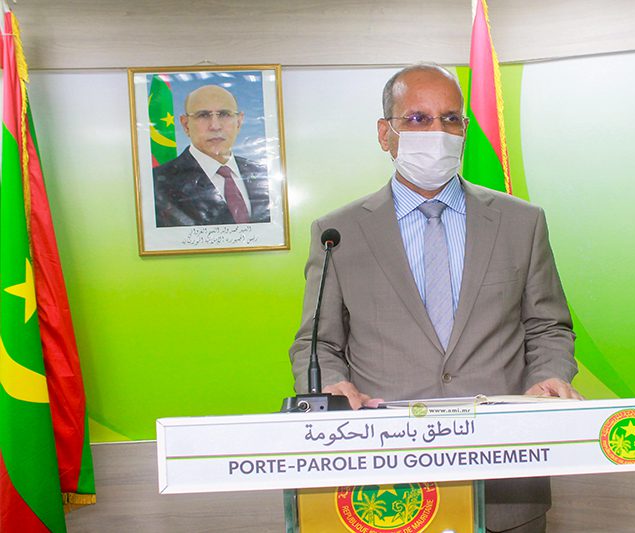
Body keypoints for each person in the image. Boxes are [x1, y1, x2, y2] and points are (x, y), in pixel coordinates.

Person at [289, 64, 581, 533]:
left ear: (464, 130)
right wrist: (331, 387)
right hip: (386, 484)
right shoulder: (337, 232)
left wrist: (548, 375)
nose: (437, 132)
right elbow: (317, 343)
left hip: (506, 475)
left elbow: (547, 326)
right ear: (385, 134)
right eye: (417, 119)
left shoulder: (521, 222)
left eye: (450, 119)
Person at [153, 84, 270, 227]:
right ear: (186, 125)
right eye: (203, 115)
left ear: (239, 122)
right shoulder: (157, 183)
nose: (215, 126)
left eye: (224, 114)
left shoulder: (264, 175)